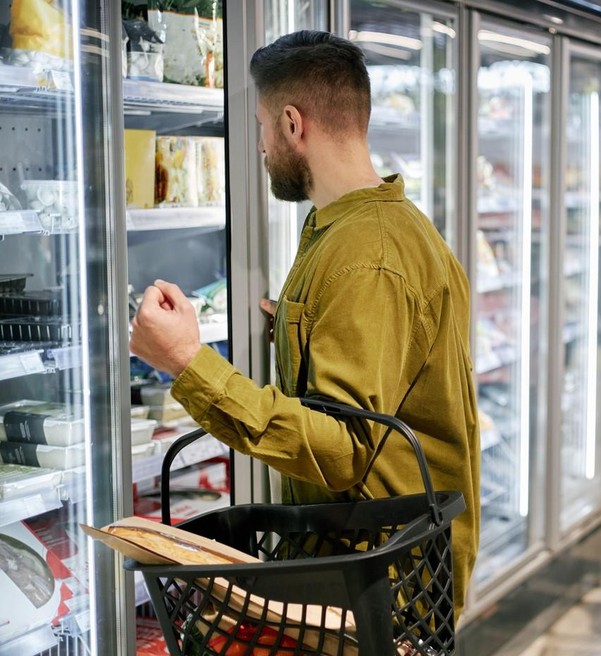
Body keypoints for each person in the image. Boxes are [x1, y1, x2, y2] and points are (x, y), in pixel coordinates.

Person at [129, 31, 479, 622]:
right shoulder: (351, 226)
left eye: (263, 126)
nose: (261, 147)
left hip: (376, 584)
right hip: (362, 568)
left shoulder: (370, 256)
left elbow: (345, 451)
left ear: (293, 123)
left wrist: (187, 361)